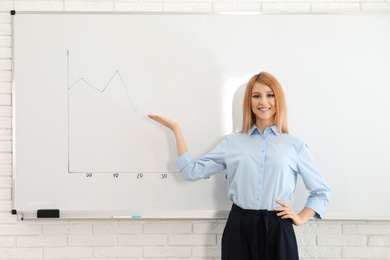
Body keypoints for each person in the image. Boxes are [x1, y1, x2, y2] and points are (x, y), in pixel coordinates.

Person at [148, 71, 332, 260]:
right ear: (249, 101)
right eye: (256, 96)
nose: (263, 102)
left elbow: (321, 191)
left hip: (278, 227)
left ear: (278, 100)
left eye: (270, 95)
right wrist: (176, 129)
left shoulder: (295, 146)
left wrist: (301, 218)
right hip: (239, 226)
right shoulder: (233, 143)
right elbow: (191, 172)